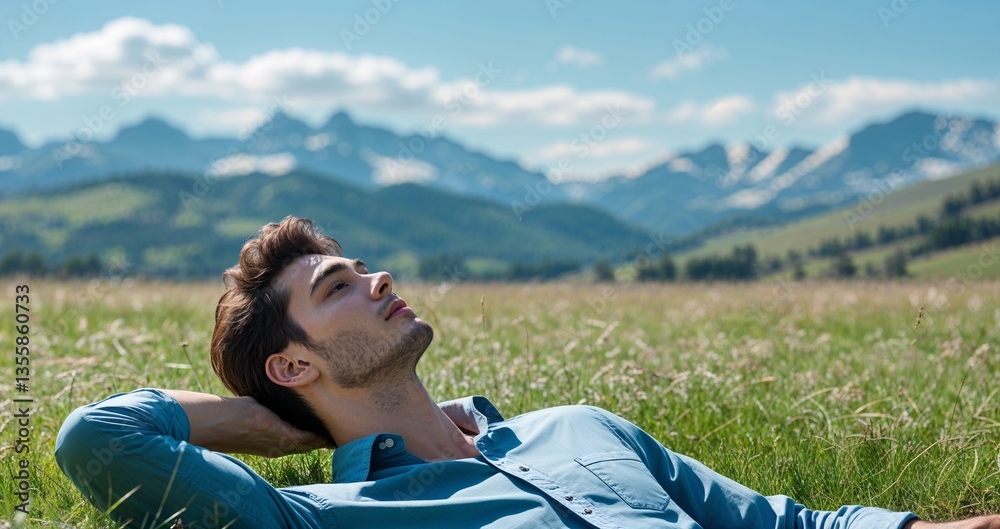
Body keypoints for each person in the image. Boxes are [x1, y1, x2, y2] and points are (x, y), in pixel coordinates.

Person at [56, 216, 998, 529]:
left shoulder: (579, 425)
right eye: (339, 285)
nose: (378, 276)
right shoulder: (322, 519)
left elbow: (799, 526)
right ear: (292, 360)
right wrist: (280, 431)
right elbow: (97, 438)